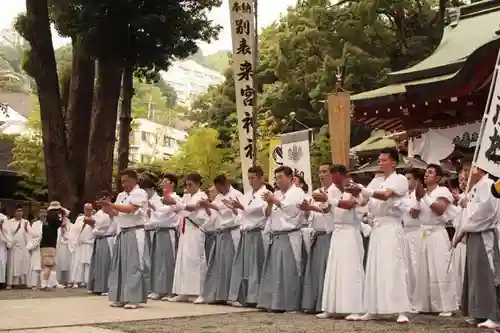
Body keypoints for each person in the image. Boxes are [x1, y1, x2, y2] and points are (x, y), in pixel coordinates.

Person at [345, 147, 410, 323]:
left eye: (384, 160)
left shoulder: (400, 179)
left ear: (394, 162)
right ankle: (373, 309)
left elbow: (386, 195)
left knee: (393, 265)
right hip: (377, 227)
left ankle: (400, 310)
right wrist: (355, 191)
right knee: (375, 267)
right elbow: (363, 201)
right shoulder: (376, 181)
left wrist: (365, 191)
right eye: (379, 160)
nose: (380, 163)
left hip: (391, 225)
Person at [313, 164, 364, 320]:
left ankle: (356, 307)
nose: (335, 183)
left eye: (336, 179)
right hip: (338, 231)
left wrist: (328, 199)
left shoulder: (356, 187)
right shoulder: (333, 190)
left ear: (343, 175)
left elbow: (349, 205)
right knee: (335, 269)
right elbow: (330, 211)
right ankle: (332, 307)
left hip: (351, 231)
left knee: (351, 269)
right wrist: (324, 204)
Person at [452, 166, 500, 329]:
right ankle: (478, 312)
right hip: (473, 232)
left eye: (472, 168)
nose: (470, 171)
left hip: (483, 232)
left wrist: (468, 211)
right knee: (474, 274)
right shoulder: (475, 187)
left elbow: (487, 212)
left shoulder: (488, 184)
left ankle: (493, 313)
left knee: (487, 273)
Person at [97, 168, 149, 309]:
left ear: (134, 180)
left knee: (134, 266)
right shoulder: (121, 195)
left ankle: (134, 299)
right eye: (122, 181)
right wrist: (106, 208)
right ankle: (120, 296)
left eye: (126, 181)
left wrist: (111, 205)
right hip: (122, 232)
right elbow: (116, 213)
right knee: (120, 266)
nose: (124, 184)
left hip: (135, 231)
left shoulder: (140, 193)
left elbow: (130, 209)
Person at [411, 164, 458, 316]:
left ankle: (446, 306)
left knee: (440, 267)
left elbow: (439, 209)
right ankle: (423, 304)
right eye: (425, 172)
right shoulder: (419, 192)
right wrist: (418, 199)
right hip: (423, 231)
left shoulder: (442, 191)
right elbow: (413, 214)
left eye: (430, 172)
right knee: (423, 268)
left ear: (438, 177)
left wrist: (424, 196)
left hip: (437, 232)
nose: (426, 174)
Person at [258, 166, 306, 312]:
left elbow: (294, 211)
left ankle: (291, 304)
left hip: (290, 235)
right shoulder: (276, 193)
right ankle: (276, 303)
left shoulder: (297, 192)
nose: (278, 181)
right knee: (275, 272)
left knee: (289, 271)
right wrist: (271, 202)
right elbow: (267, 214)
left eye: (281, 177)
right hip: (276, 235)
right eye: (276, 178)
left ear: (290, 177)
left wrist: (276, 201)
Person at [166, 173, 213, 303]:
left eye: (190, 184)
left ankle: (199, 292)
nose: (188, 187)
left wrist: (178, 204)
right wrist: (172, 204)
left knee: (195, 260)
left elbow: (193, 208)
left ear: (198, 184)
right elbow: (179, 209)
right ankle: (183, 291)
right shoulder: (186, 196)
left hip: (196, 229)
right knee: (182, 260)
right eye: (186, 185)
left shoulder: (202, 195)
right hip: (185, 230)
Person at [198, 175, 243, 304]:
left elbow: (233, 213)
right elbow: (213, 216)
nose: (219, 191)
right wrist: (207, 207)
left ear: (225, 184)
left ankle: (233, 296)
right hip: (219, 233)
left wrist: (212, 206)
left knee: (230, 264)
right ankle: (218, 295)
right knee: (217, 266)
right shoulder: (218, 197)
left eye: (220, 188)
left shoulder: (237, 194)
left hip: (231, 231)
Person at [228, 166, 268, 307]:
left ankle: (256, 298)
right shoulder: (248, 194)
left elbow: (261, 211)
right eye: (249, 178)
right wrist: (236, 209)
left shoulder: (266, 193)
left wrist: (242, 207)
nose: (251, 181)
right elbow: (242, 215)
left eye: (253, 178)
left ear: (261, 178)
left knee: (255, 267)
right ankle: (244, 297)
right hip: (246, 232)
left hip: (257, 232)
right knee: (244, 266)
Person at [299, 162, 335, 314]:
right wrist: (307, 210)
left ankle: (326, 304)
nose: (321, 175)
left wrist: (311, 208)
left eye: (325, 171)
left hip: (330, 234)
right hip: (317, 234)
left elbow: (330, 211)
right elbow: (311, 215)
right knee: (315, 270)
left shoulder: (335, 192)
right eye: (320, 171)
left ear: (332, 174)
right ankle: (314, 303)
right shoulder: (316, 192)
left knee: (327, 270)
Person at [147, 173, 181, 301]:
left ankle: (169, 290)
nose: (162, 183)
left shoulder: (176, 198)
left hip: (168, 231)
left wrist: (154, 209)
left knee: (168, 261)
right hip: (158, 230)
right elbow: (155, 217)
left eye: (165, 181)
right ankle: (158, 289)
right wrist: (155, 210)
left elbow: (163, 215)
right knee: (157, 261)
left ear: (172, 184)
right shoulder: (160, 199)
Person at [402, 169, 423, 307]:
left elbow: (415, 214)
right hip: (405, 232)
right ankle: (409, 298)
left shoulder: (418, 195)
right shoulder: (403, 195)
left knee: (416, 266)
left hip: (417, 231)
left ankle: (418, 299)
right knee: (406, 268)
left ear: (417, 180)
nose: (406, 181)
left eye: (409, 178)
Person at [88, 192, 115, 295]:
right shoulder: (99, 213)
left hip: (107, 238)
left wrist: (96, 227)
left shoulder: (112, 211)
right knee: (97, 263)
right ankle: (96, 286)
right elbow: (95, 223)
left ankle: (106, 287)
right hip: (98, 238)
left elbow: (106, 225)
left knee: (106, 263)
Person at [38, 202, 65, 290]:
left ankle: (49, 283)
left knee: (49, 265)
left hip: (44, 244)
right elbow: (62, 223)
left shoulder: (47, 219)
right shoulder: (53, 218)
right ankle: (44, 285)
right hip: (49, 244)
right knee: (48, 265)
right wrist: (64, 215)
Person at [68, 203, 95, 288]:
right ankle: (78, 280)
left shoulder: (95, 218)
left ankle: (87, 281)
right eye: (86, 209)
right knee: (79, 263)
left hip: (89, 243)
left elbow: (96, 228)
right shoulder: (79, 218)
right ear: (84, 210)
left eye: (90, 209)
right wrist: (83, 224)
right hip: (80, 243)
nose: (88, 211)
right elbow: (75, 230)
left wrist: (91, 223)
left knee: (88, 263)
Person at [5, 204, 29, 289]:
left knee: (23, 264)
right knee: (13, 265)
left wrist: (26, 229)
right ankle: (10, 283)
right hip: (14, 247)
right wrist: (17, 229)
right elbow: (8, 235)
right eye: (17, 211)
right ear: (14, 212)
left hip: (23, 247)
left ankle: (24, 282)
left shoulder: (26, 222)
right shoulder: (9, 222)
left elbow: (30, 236)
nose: (19, 213)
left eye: (21, 211)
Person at [26, 206, 46, 289]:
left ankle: (44, 283)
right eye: (41, 212)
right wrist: (40, 237)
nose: (43, 214)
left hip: (45, 247)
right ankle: (34, 284)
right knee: (35, 265)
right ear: (38, 214)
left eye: (44, 212)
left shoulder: (48, 223)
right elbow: (32, 234)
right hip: (37, 247)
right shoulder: (35, 224)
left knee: (45, 266)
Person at [56, 210, 72, 287]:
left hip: (68, 247)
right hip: (59, 246)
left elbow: (72, 237)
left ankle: (68, 281)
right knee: (60, 263)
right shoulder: (57, 226)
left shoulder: (71, 225)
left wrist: (65, 232)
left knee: (68, 264)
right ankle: (59, 281)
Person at [0, 206, 10, 286]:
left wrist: (1, 227)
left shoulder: (4, 217)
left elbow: (7, 231)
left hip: (1, 244)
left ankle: (1, 282)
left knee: (2, 263)